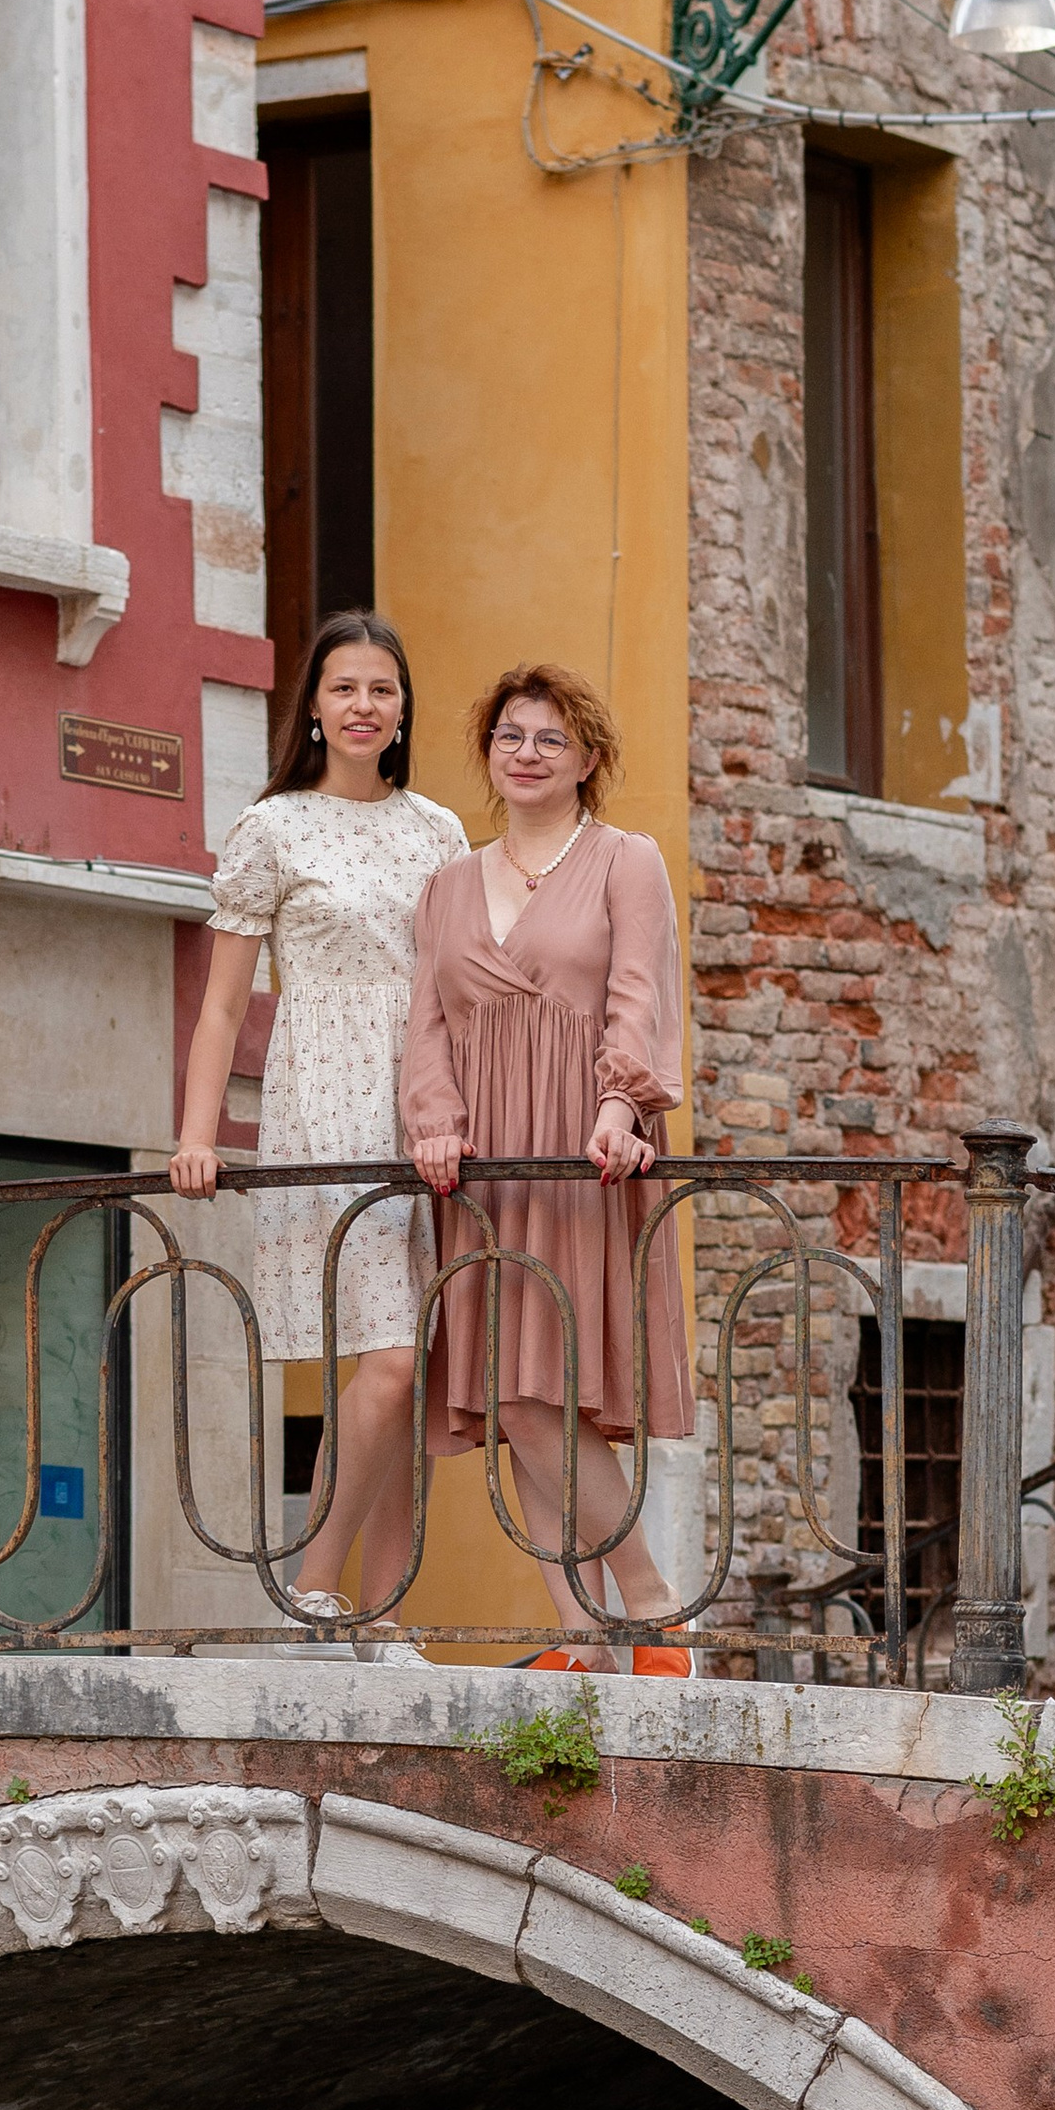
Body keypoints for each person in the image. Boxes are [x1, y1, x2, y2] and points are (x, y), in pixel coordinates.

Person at [171, 613, 468, 1658]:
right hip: (327, 1099)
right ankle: (314, 1583)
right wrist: (201, 1134)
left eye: (381, 689)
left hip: (430, 1103)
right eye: (343, 686)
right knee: (386, 1361)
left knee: (417, 1373)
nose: (362, 705)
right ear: (313, 706)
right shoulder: (273, 828)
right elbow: (218, 1007)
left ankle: (387, 1618)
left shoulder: (437, 828)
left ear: (400, 712)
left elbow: (466, 982)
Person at [400, 659, 696, 1674]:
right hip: (482, 1169)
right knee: (505, 1393)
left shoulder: (625, 860)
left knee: (545, 1391)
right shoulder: (442, 886)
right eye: (508, 736)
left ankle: (653, 1616)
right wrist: (432, 1123)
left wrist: (619, 1106)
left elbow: (639, 997)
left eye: (548, 739)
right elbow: (426, 1029)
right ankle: (581, 1639)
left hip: (581, 1153)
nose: (525, 754)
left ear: (588, 760)